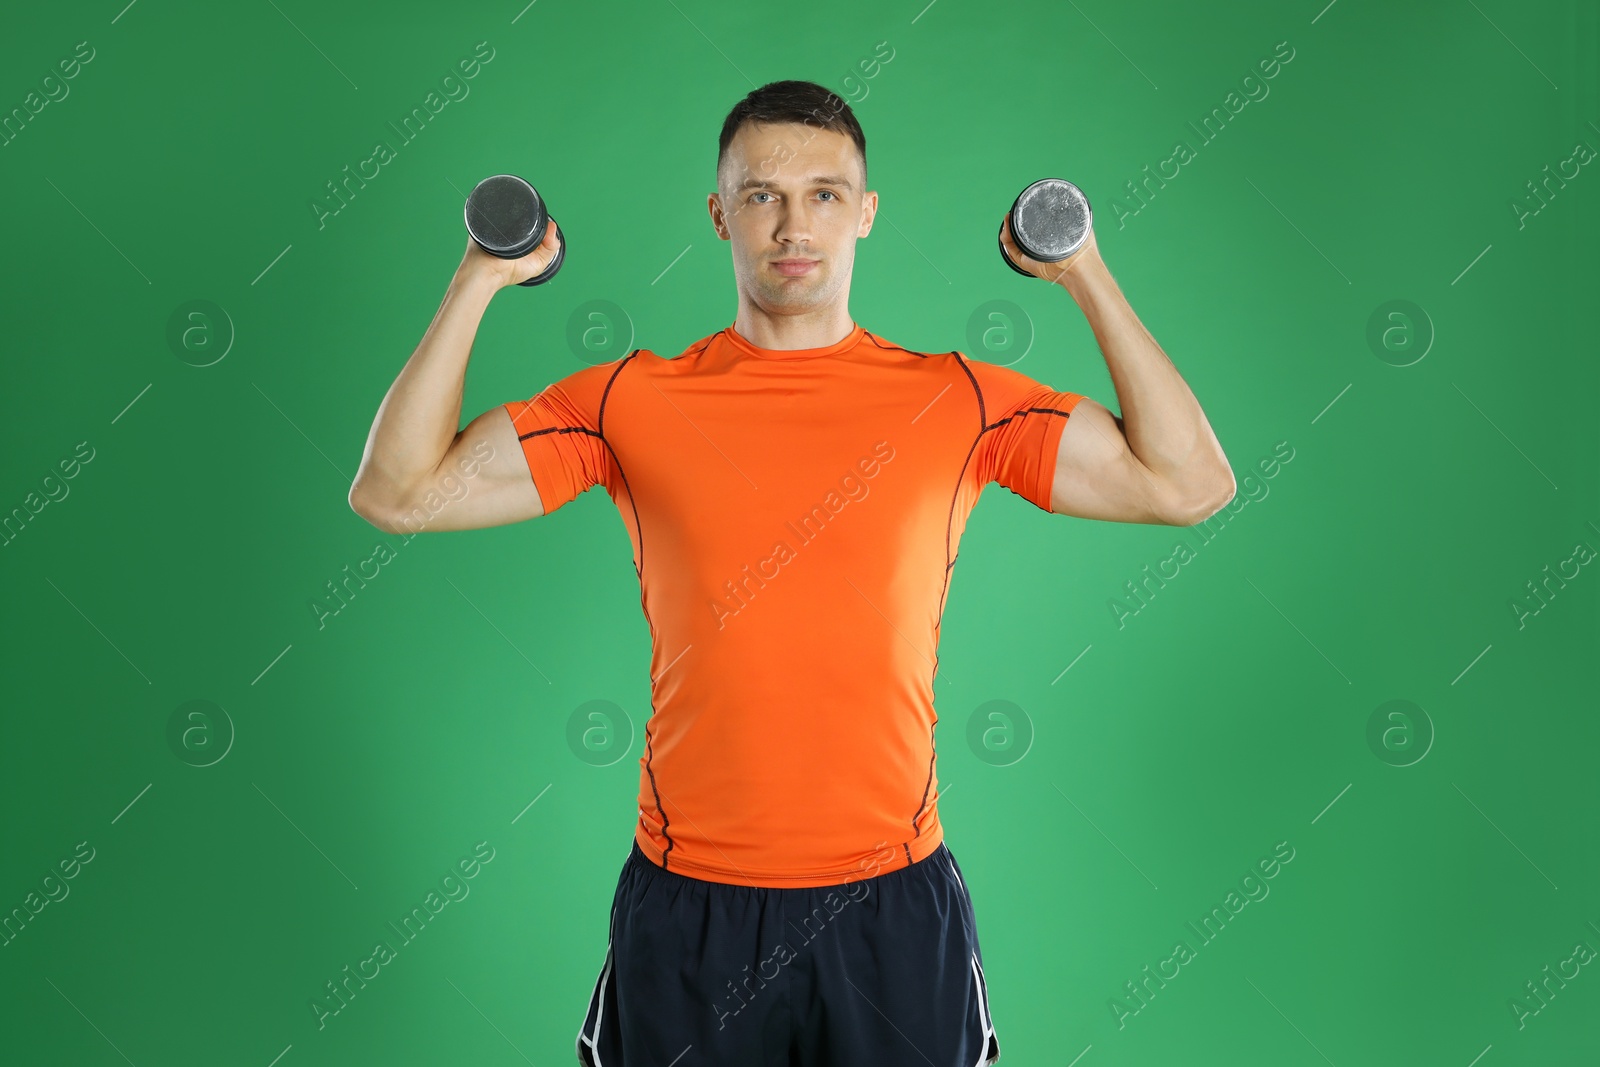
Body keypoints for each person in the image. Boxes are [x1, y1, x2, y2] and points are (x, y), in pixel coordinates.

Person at [350, 79, 1233, 1067]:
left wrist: (1081, 269)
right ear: (719, 213)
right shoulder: (629, 399)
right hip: (689, 907)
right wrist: (481, 275)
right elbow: (397, 493)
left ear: (864, 214)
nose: (791, 223)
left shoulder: (959, 399)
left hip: (891, 906)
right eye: (761, 195)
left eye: (823, 193)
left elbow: (1188, 480)